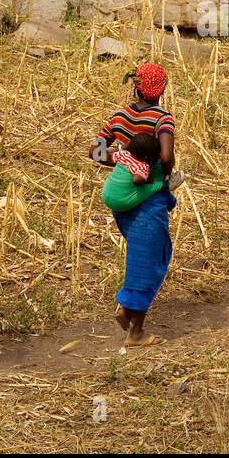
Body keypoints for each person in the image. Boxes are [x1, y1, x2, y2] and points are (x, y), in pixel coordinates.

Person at [89, 62, 178, 346]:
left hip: (122, 198)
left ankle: (129, 308)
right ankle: (134, 330)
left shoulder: (120, 116)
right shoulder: (163, 119)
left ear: (136, 86)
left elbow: (94, 151)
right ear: (161, 89)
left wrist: (121, 160)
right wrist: (162, 175)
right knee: (148, 260)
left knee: (144, 254)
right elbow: (165, 157)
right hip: (148, 199)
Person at [101, 132, 167, 213]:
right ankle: (165, 185)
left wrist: (124, 147)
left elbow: (107, 155)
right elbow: (136, 180)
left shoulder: (123, 154)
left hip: (105, 195)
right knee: (154, 185)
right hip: (120, 203)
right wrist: (146, 180)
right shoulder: (142, 166)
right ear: (147, 157)